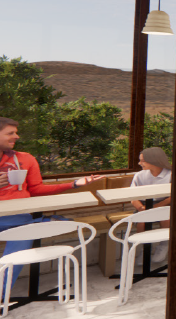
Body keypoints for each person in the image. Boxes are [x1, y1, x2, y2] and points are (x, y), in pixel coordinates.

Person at [0, 116, 102, 291]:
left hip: (20, 217)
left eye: (16, 132)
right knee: (30, 229)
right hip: (11, 219)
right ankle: (42, 222)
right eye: (10, 133)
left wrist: (73, 184)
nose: (17, 136)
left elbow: (37, 189)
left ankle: (1, 293)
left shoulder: (26, 159)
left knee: (23, 238)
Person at [130, 146, 172, 262]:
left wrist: (155, 207)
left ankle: (163, 246)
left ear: (154, 160)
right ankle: (145, 249)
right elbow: (133, 197)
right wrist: (141, 208)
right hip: (144, 205)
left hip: (165, 204)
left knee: (165, 216)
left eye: (142, 160)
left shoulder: (171, 174)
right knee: (141, 221)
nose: (139, 163)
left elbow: (172, 196)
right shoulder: (139, 175)